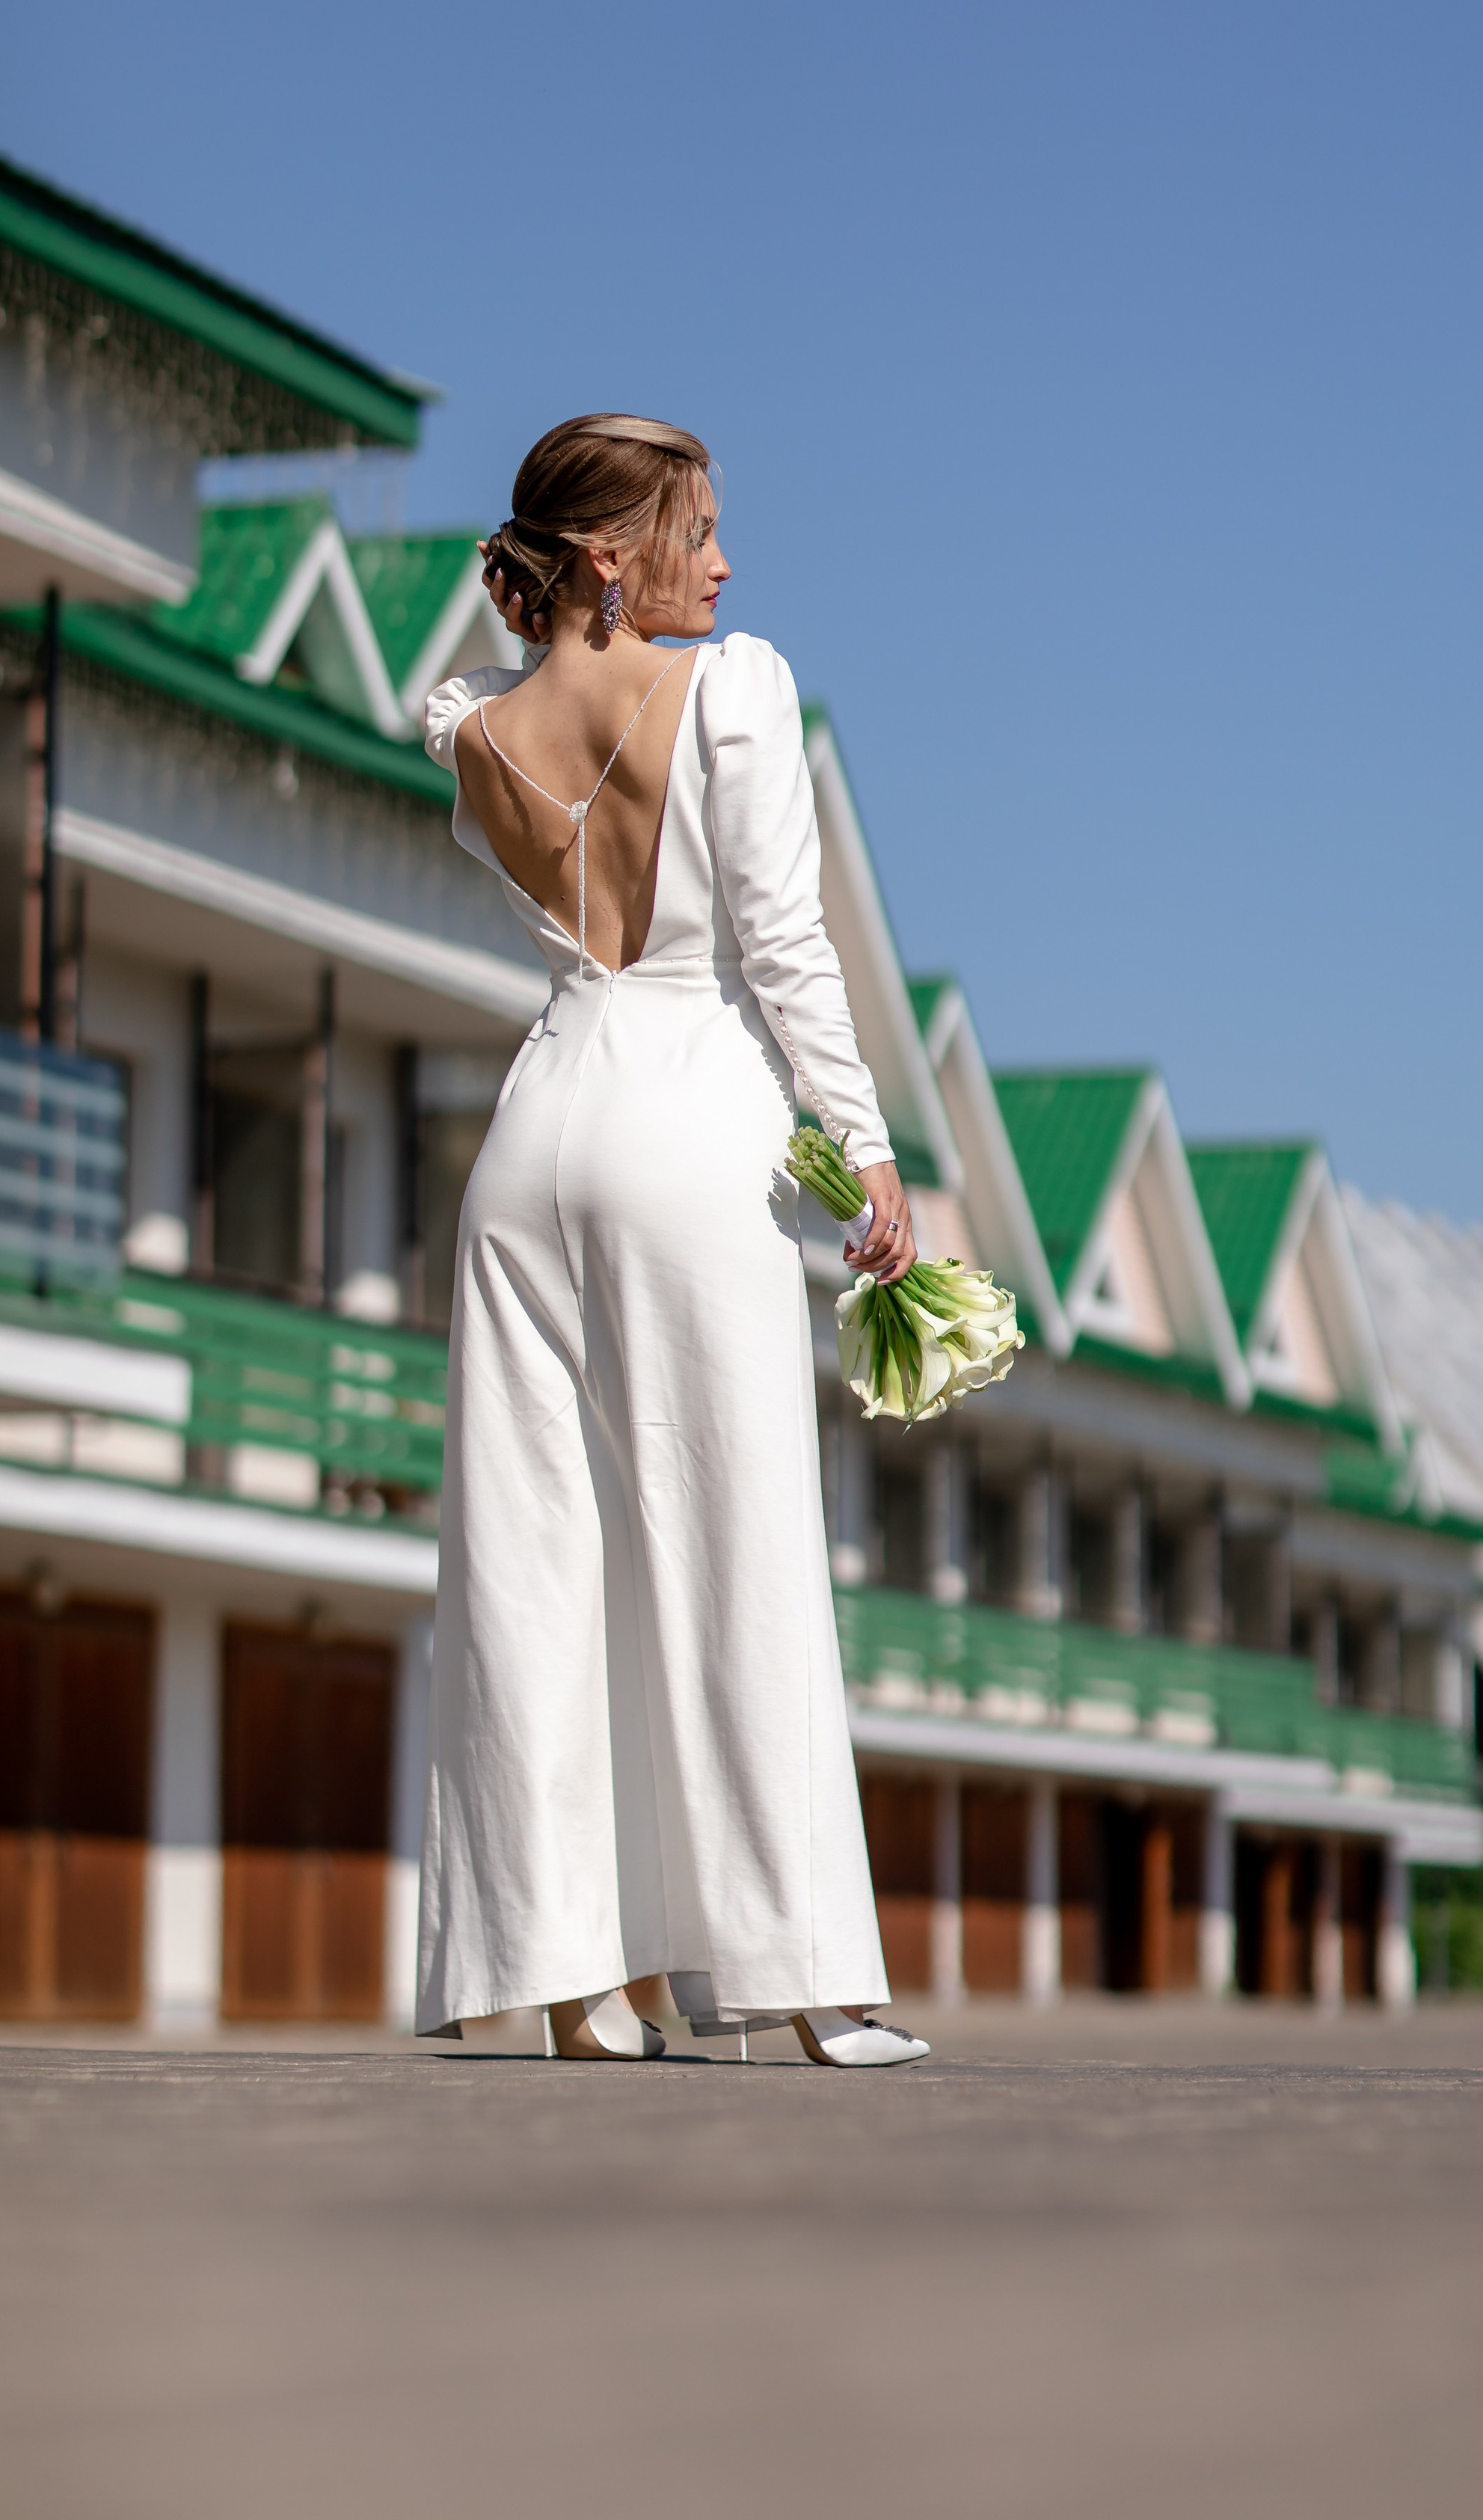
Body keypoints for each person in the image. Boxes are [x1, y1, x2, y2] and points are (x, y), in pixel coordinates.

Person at [414, 412, 928, 2070]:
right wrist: (865, 1156)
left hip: (533, 1130)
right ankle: (800, 1987)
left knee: (536, 1573)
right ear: (612, 558)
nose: (725, 561)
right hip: (687, 1126)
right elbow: (784, 948)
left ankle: (579, 1984)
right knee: (735, 1549)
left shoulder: (477, 733)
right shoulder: (734, 693)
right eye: (697, 530)